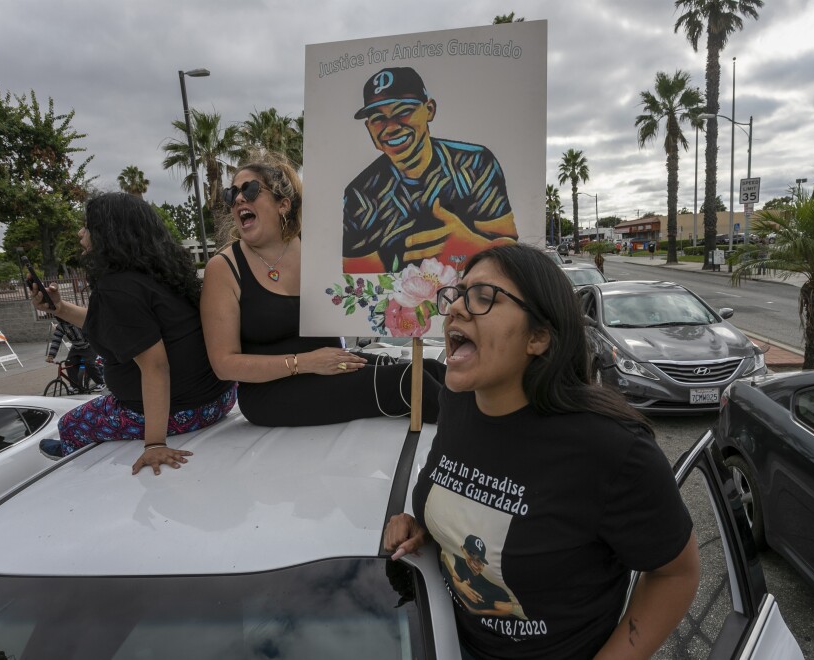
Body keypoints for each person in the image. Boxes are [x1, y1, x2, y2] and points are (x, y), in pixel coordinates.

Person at [384, 244, 699, 659]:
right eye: (458, 294)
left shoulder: (613, 449)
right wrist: (433, 528)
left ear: (538, 337)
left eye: (483, 297)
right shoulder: (459, 402)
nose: (456, 308)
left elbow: (676, 573)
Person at [200, 153, 445, 427]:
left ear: (283, 204)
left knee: (432, 368)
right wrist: (304, 363)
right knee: (412, 383)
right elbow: (224, 364)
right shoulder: (223, 268)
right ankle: (479, 441)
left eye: (250, 190)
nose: (238, 199)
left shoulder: (316, 248)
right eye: (231, 193)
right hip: (271, 393)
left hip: (330, 366)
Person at [30, 193, 236, 476]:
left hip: (183, 414)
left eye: (87, 226)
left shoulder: (116, 288)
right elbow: (120, 327)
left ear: (108, 233)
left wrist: (154, 444)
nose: (81, 233)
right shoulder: (160, 277)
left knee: (70, 425)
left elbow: (155, 365)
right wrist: (61, 308)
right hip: (220, 401)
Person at [343, 67, 518, 274]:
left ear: (430, 110)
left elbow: (513, 252)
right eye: (378, 118)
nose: (390, 127)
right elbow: (358, 278)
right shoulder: (360, 194)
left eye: (403, 112)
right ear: (368, 127)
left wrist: (474, 249)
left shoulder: (474, 164)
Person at [46, 319, 104, 391]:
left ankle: (100, 383)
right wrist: (51, 355)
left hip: (89, 346)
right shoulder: (61, 326)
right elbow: (56, 340)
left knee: (89, 363)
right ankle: (75, 386)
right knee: (69, 362)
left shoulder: (77, 320)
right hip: (76, 347)